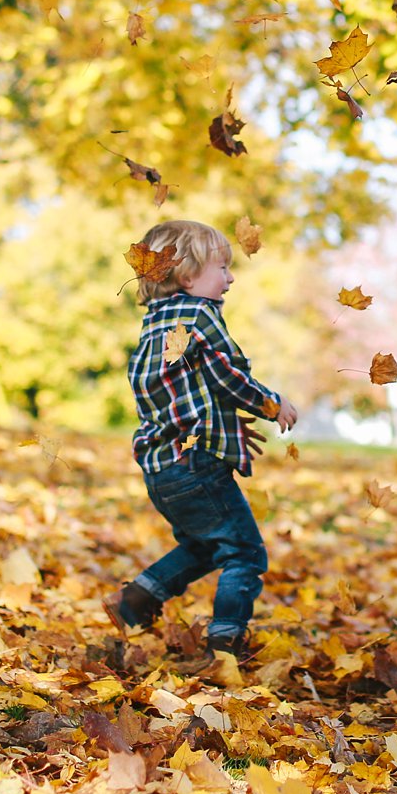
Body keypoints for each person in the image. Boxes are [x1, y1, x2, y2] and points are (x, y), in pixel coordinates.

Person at [110, 219, 300, 661]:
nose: (230, 278)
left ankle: (135, 600)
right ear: (187, 276)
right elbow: (228, 376)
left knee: (203, 544)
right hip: (197, 467)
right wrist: (271, 404)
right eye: (222, 267)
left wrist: (229, 429)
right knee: (244, 554)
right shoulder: (199, 315)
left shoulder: (155, 325)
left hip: (162, 469)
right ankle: (226, 643)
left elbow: (189, 394)